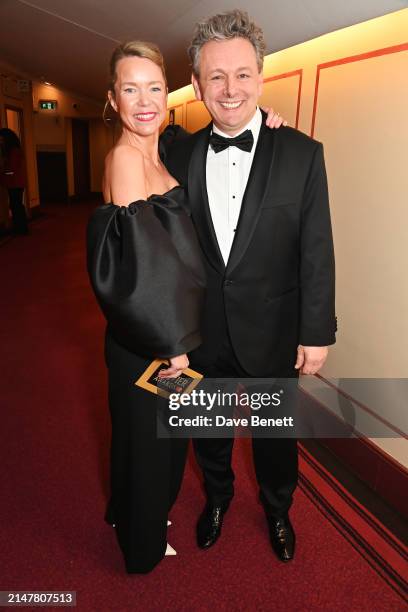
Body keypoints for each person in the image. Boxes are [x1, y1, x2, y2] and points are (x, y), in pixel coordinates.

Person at [162, 10, 336, 562]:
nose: (230, 88)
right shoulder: (178, 152)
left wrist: (317, 331)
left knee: (274, 438)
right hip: (201, 331)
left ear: (261, 77)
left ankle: (278, 509)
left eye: (242, 74)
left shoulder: (303, 154)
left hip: (274, 328)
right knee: (208, 431)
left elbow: (316, 250)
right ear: (196, 85)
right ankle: (217, 498)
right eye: (215, 76)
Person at [86, 41, 208, 574]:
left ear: (168, 93)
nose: (144, 100)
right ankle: (143, 545)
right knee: (155, 444)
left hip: (160, 335)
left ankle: (129, 512)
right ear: (112, 98)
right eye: (129, 88)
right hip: (154, 342)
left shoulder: (158, 151)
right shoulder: (125, 159)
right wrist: (174, 350)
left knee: (140, 440)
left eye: (154, 87)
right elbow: (143, 274)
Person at [0, 128, 29, 235]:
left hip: (15, 183)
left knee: (16, 206)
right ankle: (21, 227)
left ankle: (20, 228)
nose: (1, 142)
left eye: (2, 139)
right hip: (17, 182)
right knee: (17, 205)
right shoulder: (15, 150)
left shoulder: (13, 151)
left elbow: (12, 171)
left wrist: (2, 175)